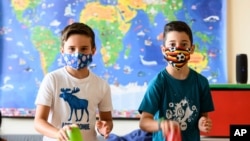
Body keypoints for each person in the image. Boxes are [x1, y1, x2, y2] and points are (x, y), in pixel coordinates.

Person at [34, 22, 113, 141]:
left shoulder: (102, 85)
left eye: (84, 49)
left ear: (93, 50)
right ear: (62, 51)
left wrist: (105, 127)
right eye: (71, 49)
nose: (77, 54)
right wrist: (58, 133)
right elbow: (39, 122)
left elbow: (107, 120)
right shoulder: (52, 79)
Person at [138, 21, 214, 141]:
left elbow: (203, 116)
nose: (178, 49)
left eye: (184, 44)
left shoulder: (201, 82)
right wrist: (161, 125)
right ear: (163, 50)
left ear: (192, 49)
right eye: (172, 44)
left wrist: (203, 123)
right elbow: (144, 122)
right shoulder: (158, 83)